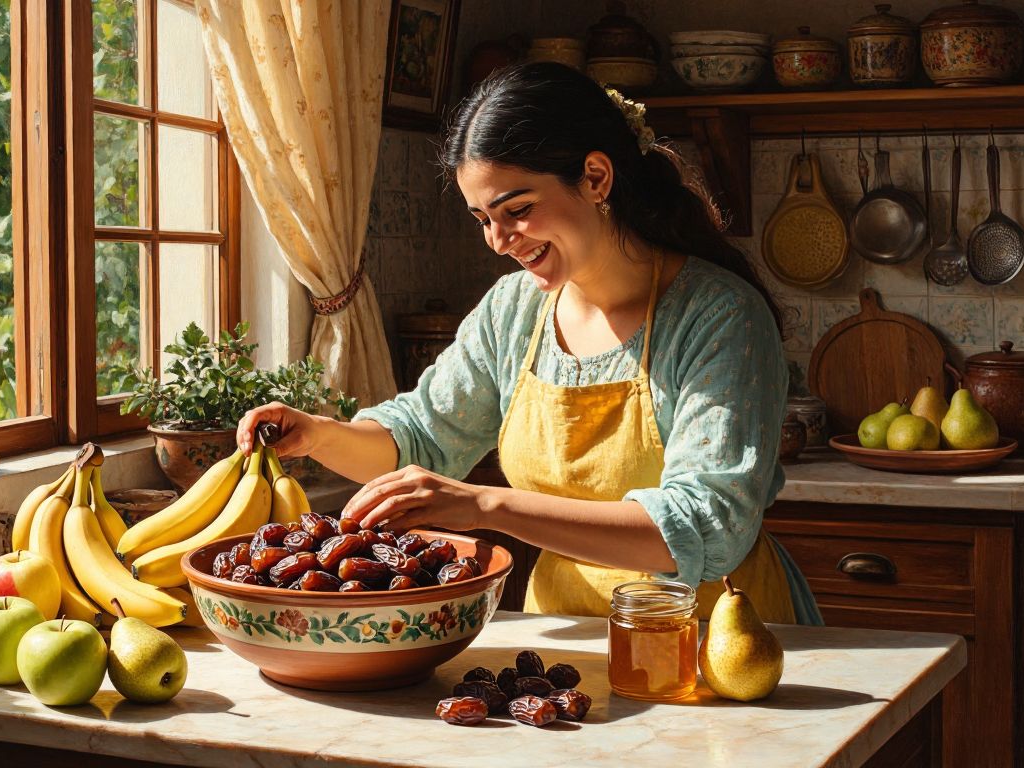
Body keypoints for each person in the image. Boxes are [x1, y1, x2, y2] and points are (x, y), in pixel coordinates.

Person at [237, 62, 821, 625]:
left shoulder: (718, 316)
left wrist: (486, 506)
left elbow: (707, 529)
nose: (496, 241)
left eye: (516, 210)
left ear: (596, 178)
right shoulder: (514, 311)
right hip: (570, 642)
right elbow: (419, 437)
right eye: (481, 218)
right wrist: (316, 434)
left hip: (714, 639)